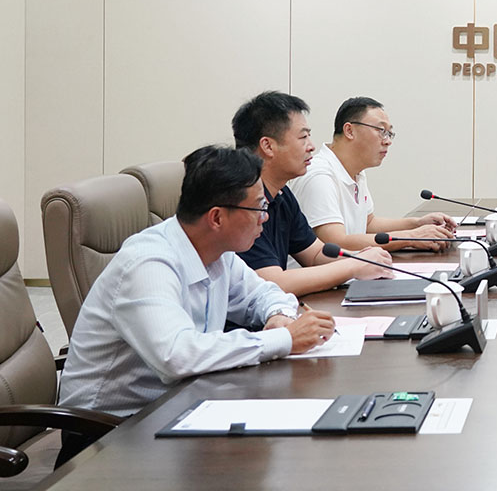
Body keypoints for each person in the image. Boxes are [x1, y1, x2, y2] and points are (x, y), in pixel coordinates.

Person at [57, 146, 335, 434]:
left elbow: (264, 294)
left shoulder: (219, 252)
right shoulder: (148, 264)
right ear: (217, 218)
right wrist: (284, 338)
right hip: (110, 433)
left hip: (180, 405)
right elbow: (177, 356)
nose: (264, 217)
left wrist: (278, 316)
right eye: (258, 208)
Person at [232, 91, 394, 296]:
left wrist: (362, 258)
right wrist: (353, 266)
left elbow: (316, 254)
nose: (311, 146)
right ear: (268, 146)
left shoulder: (282, 194)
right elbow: (272, 282)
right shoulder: (240, 201)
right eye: (303, 137)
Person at [290, 96, 456, 252]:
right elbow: (336, 242)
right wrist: (411, 237)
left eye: (389, 133)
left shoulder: (356, 172)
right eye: (381, 130)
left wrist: (417, 223)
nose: (387, 141)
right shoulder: (319, 176)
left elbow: (368, 224)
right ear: (349, 130)